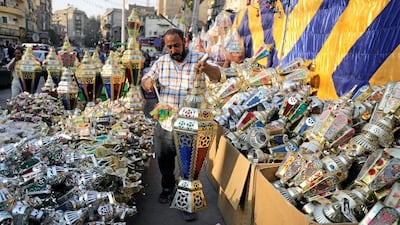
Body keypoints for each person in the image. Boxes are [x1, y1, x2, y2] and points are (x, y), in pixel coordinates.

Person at [141, 28, 221, 221]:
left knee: (188, 164)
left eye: (176, 45)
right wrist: (148, 82)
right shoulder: (161, 62)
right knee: (164, 158)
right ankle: (168, 187)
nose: (173, 50)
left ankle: (186, 199)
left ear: (184, 42)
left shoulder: (199, 58)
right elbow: (145, 80)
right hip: (166, 117)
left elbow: (218, 76)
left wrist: (206, 69)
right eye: (169, 46)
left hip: (191, 122)